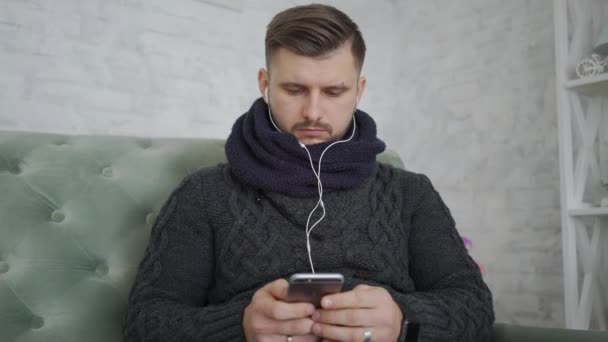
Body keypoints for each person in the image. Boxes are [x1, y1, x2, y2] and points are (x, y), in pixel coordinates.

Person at [123, 4, 494, 342]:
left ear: (359, 91)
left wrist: (404, 321)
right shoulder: (204, 193)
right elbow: (146, 322)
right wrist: (239, 326)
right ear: (265, 85)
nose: (313, 112)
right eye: (295, 89)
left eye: (334, 91)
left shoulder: (409, 193)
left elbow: (475, 306)